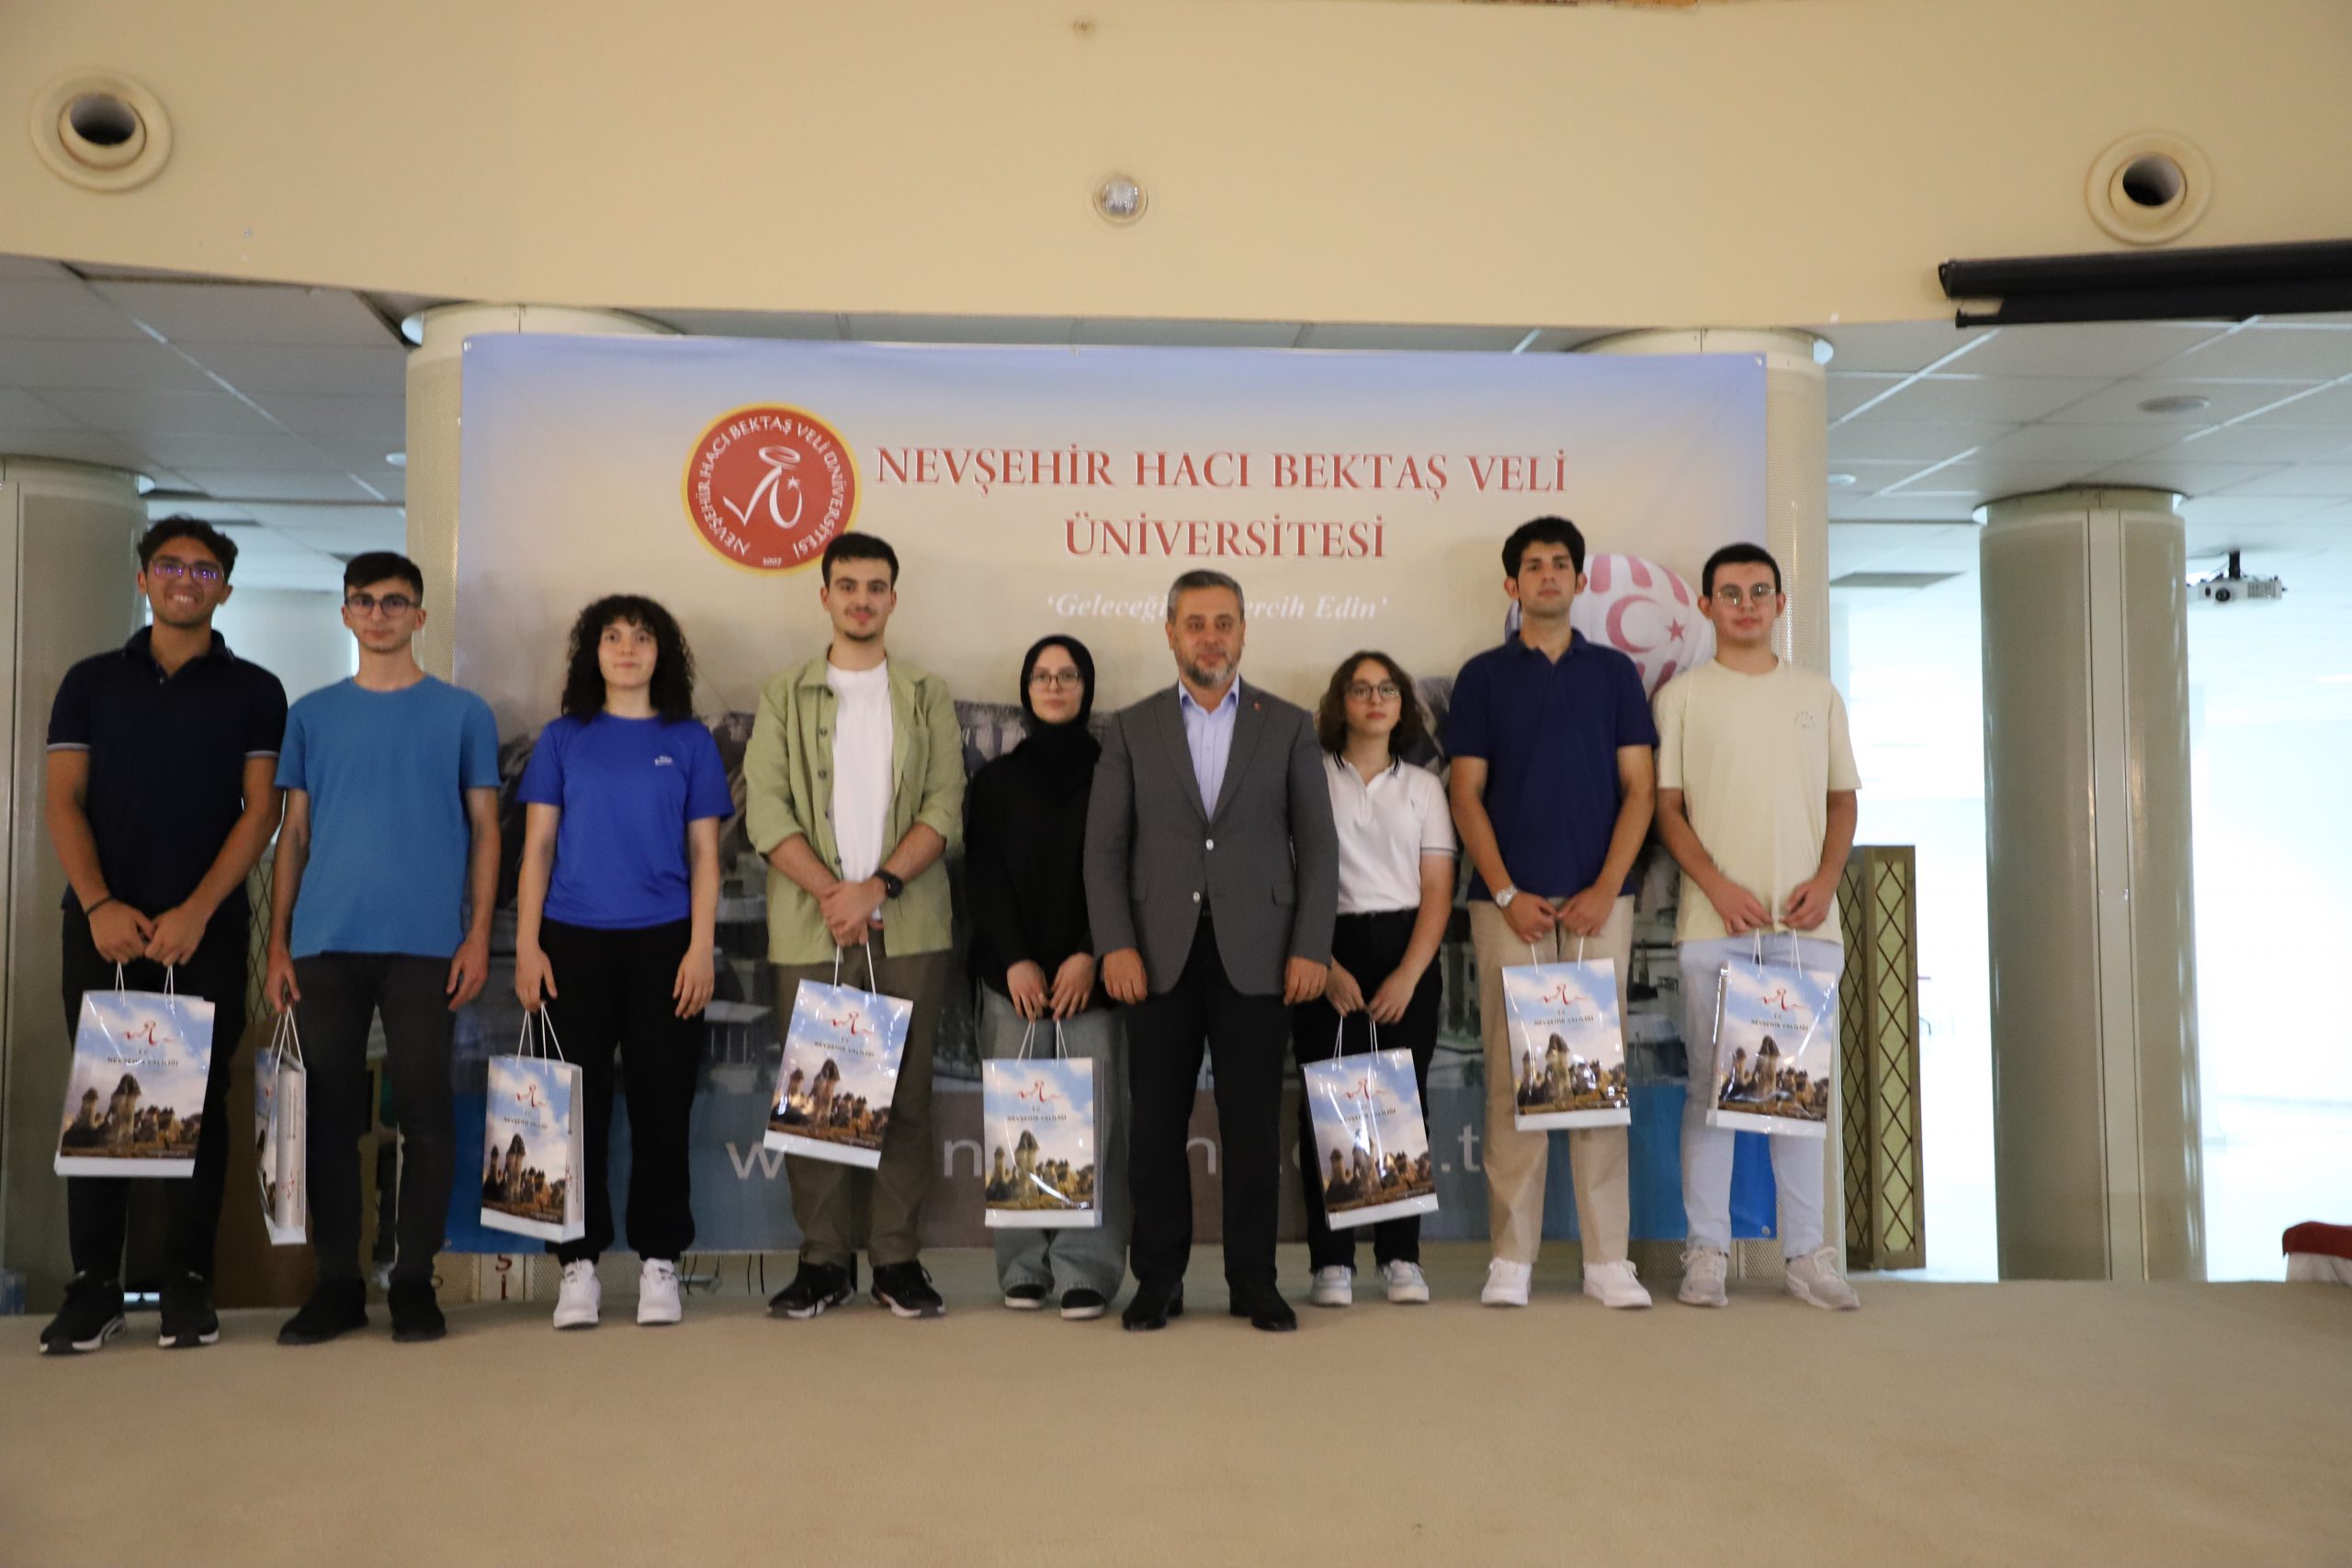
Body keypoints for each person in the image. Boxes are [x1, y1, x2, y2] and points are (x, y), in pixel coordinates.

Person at [38, 518, 287, 1355]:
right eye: (171, 565)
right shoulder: (90, 681)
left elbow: (262, 810)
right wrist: (100, 903)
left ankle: (186, 1282)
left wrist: (199, 910)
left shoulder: (255, 689)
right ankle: (94, 1288)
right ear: (144, 579)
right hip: (102, 926)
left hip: (204, 929)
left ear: (225, 587)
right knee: (101, 1104)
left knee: (197, 1104)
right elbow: (63, 799)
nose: (187, 578)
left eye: (205, 568)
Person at [1083, 570, 1339, 1333]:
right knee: (1155, 1125)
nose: (1211, 637)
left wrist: (1312, 946)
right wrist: (1115, 945)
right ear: (1170, 632)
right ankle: (1158, 1278)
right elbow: (1104, 851)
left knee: (1253, 1125)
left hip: (1261, 953)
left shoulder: (1286, 725)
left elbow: (1318, 848)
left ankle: (1254, 1279)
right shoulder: (1131, 728)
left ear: (1243, 631)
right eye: (1195, 622)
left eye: (1224, 622)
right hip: (1155, 955)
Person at [266, 552, 501, 1346]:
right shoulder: (312, 714)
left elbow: (486, 829)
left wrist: (477, 934)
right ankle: (337, 1283)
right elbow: (293, 832)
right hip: (325, 939)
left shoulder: (463, 714)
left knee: (426, 1114)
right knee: (330, 1120)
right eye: (363, 601)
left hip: (427, 944)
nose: (378, 613)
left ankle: (413, 1281)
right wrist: (278, 943)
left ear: (419, 616)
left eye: (395, 601)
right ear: (345, 614)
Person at [744, 533, 963, 1320]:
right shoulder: (785, 693)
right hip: (813, 928)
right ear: (826, 596)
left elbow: (945, 805)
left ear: (893, 599)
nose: (862, 599)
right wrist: (833, 895)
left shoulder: (927, 694)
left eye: (876, 587)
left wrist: (876, 887)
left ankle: (896, 1259)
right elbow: (766, 809)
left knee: (905, 1097)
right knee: (820, 1099)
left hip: (908, 926)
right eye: (848, 586)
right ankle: (823, 1261)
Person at [1446, 517, 1657, 1310]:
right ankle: (1513, 1256)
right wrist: (1506, 891)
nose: (1547, 575)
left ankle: (1608, 1259)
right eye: (1532, 565)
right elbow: (1465, 793)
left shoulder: (1614, 673)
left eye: (1560, 563)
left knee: (1596, 1076)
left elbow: (1640, 789)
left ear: (1580, 578)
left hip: (1601, 903)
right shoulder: (1482, 676)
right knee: (1515, 1077)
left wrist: (1607, 884)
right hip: (1510, 907)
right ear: (1512, 584)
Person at [1654, 542, 1862, 1312]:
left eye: (1759, 591)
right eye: (1730, 592)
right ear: (1706, 604)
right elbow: (1666, 808)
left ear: (1780, 603)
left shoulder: (1817, 694)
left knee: (1797, 1095)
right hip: (1715, 923)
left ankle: (1807, 1255)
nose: (1745, 604)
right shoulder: (1682, 696)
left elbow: (1842, 799)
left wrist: (1827, 881)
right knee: (1713, 1090)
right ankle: (1706, 1251)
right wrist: (1715, 884)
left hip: (1806, 927)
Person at [514, 595, 730, 1331]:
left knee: (662, 1105)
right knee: (573, 1106)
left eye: (642, 637)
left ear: (662, 653)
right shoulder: (562, 739)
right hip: (571, 941)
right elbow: (537, 847)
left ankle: (659, 1260)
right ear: (593, 652)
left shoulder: (690, 740)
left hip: (666, 941)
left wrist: (700, 945)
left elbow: (706, 855)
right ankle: (577, 1264)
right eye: (612, 637)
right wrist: (528, 944)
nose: (628, 648)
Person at [964, 634, 1130, 1322]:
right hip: (1015, 983)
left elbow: (1128, 871)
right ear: (1025, 690)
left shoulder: (1117, 776)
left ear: (1086, 688)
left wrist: (1091, 952)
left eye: (1067, 675)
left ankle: (1086, 1267)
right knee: (1019, 1121)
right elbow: (983, 876)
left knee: (1097, 1123)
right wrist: (1014, 959)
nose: (1054, 686)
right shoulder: (995, 782)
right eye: (1042, 675)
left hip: (1093, 977)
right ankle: (1024, 1264)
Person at [1289, 651, 1454, 1309]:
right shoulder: (1308, 779)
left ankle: (1399, 1255)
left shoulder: (1424, 787)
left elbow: (1437, 887)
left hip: (1405, 949)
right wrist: (1324, 964)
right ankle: (1331, 1260)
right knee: (1327, 1105)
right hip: (1325, 948)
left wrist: (1410, 975)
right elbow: (1291, 878)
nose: (1375, 699)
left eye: (1387, 689)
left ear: (1402, 704)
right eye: (1361, 689)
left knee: (1400, 1105)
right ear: (1341, 702)